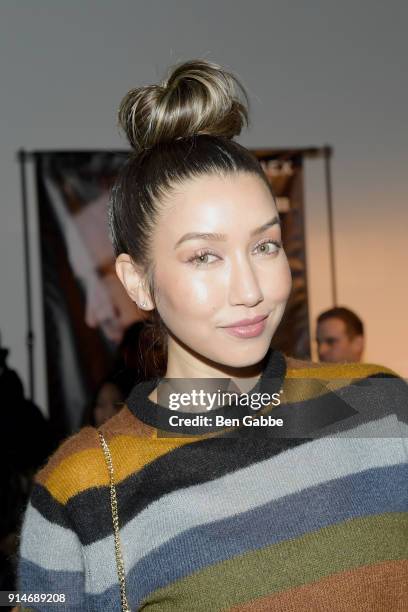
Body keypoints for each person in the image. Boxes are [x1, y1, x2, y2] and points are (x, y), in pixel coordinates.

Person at [16, 59, 407, 611]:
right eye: (204, 256)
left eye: (265, 246)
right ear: (137, 281)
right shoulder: (82, 491)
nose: (250, 289)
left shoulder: (383, 408)